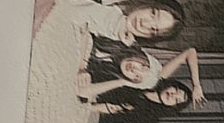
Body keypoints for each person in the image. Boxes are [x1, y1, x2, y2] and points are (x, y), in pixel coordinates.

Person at [77, 40, 206, 108]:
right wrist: (196, 85)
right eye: (177, 90)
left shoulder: (148, 110)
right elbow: (190, 52)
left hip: (98, 79)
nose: (173, 94)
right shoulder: (158, 76)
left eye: (177, 100)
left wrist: (124, 82)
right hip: (108, 57)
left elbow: (84, 93)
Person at [72, 0, 184, 47]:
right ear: (148, 5)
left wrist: (121, 47)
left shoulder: (120, 49)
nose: (144, 23)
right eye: (153, 14)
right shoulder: (112, 8)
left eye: (153, 30)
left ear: (150, 38)